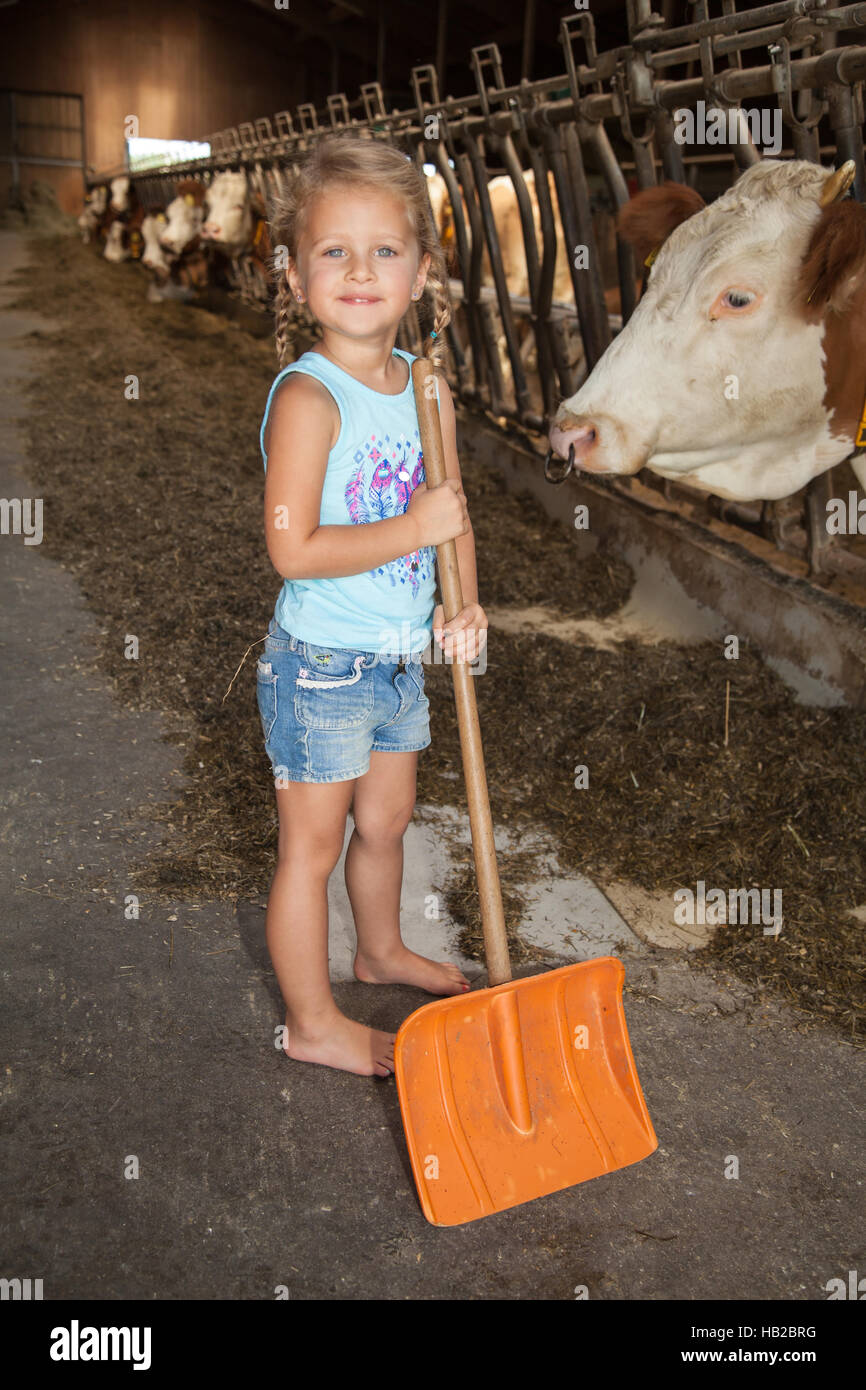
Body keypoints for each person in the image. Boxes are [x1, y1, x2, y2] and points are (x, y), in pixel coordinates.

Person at [257, 135, 488, 1078]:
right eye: (334, 251)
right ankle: (313, 1022)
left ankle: (380, 950)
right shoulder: (311, 399)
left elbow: (454, 513)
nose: (361, 271)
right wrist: (414, 529)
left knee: (387, 824)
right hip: (321, 666)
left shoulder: (426, 389)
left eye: (386, 250)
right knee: (311, 849)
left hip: (400, 662)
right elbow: (291, 547)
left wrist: (464, 605)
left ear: (423, 271)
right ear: (293, 273)